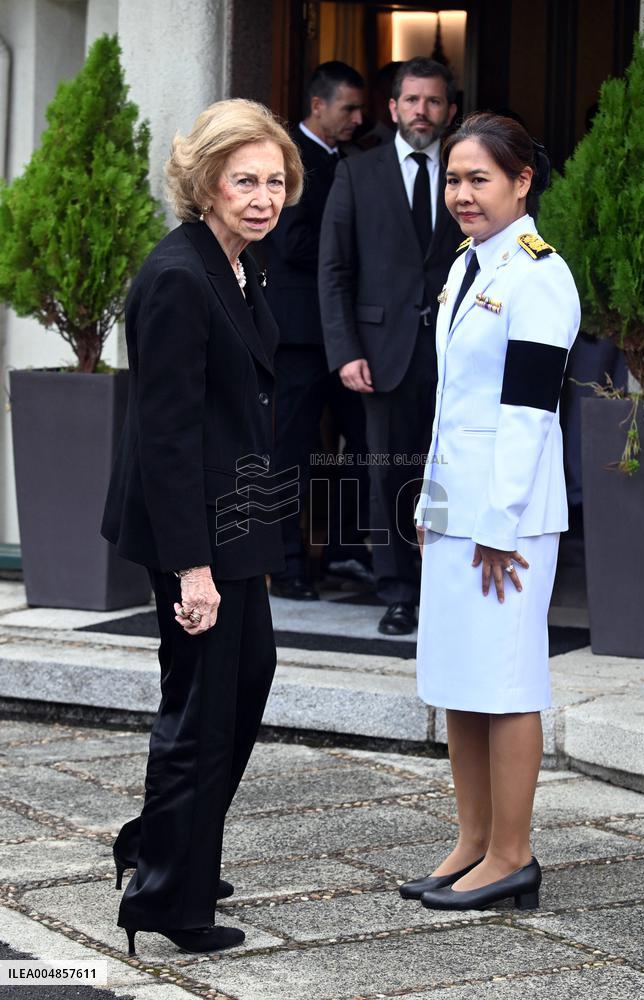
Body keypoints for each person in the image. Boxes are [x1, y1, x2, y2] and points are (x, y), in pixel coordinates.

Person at [101, 99, 303, 955]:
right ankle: (168, 904)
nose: (263, 196)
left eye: (275, 180)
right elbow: (170, 439)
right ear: (205, 184)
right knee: (200, 706)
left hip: (233, 518)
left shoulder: (238, 262)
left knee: (245, 677)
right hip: (193, 529)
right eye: (244, 180)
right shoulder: (180, 276)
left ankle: (163, 846)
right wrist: (193, 571)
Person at [400, 113, 580, 911]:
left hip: (506, 520)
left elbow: (528, 414)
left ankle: (513, 854)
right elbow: (452, 405)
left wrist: (500, 526)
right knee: (460, 679)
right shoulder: (471, 265)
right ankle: (472, 841)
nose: (462, 195)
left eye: (479, 179)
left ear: (521, 181)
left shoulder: (539, 276)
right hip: (458, 510)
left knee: (505, 683)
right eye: (452, 179)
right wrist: (434, 504)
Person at [319, 57, 461, 636]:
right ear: (393, 108)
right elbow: (334, 271)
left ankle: (448, 592)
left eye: (433, 101)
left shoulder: (469, 170)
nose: (421, 111)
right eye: (412, 100)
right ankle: (400, 593)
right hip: (380, 354)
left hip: (457, 351)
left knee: (453, 473)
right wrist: (344, 350)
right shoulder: (358, 173)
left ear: (450, 111)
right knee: (388, 475)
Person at [265, 61, 372, 601]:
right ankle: (285, 566)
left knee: (370, 440)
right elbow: (292, 243)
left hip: (343, 336)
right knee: (292, 449)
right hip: (298, 334)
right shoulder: (288, 161)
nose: (358, 117)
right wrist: (358, 260)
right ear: (318, 107)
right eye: (348, 108)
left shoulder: (345, 159)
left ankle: (347, 551)